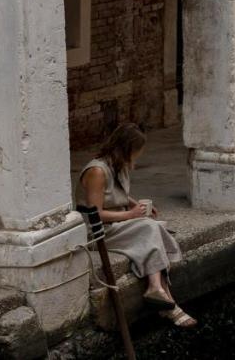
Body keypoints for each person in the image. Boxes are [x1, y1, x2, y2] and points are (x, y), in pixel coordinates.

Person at [78, 123, 195, 328]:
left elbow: (117, 193)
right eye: (135, 153)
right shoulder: (97, 171)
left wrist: (132, 203)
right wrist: (131, 214)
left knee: (154, 228)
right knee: (150, 229)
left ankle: (158, 290)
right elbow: (95, 214)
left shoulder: (118, 166)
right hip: (99, 231)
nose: (136, 158)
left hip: (117, 222)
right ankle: (165, 299)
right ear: (125, 149)